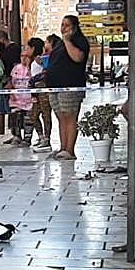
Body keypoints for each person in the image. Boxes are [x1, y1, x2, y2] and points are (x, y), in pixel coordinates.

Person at [44, 14, 91, 160]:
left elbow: (77, 58)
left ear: (74, 27)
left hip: (70, 85)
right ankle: (63, 148)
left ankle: (70, 149)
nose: (63, 28)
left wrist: (67, 41)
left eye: (67, 25)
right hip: (54, 86)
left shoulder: (79, 41)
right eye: (62, 24)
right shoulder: (59, 44)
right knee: (61, 117)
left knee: (70, 116)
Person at [0, 30, 20, 143]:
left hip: (10, 84)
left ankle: (16, 134)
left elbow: (14, 66)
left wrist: (11, 81)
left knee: (12, 110)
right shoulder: (3, 52)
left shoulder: (13, 50)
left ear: (2, 40)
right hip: (2, 84)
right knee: (0, 109)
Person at [29, 36, 54, 152]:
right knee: (33, 115)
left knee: (46, 114)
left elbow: (47, 72)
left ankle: (47, 138)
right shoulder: (32, 62)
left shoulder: (43, 59)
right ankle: (40, 136)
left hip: (43, 89)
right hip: (35, 91)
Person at [8, 43, 35, 145]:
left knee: (28, 118)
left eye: (26, 56)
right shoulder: (16, 68)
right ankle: (16, 135)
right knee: (16, 116)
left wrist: (28, 66)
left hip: (29, 99)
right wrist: (11, 93)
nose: (23, 58)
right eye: (22, 56)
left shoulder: (32, 67)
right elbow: (11, 81)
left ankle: (27, 138)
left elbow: (33, 79)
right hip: (16, 98)